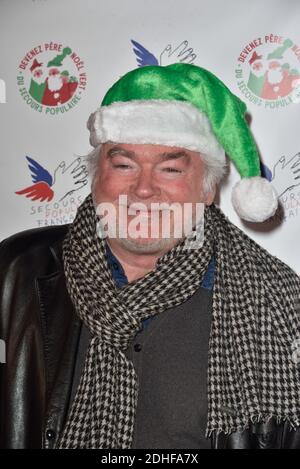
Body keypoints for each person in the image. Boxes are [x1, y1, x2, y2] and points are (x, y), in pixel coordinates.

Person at [0, 63, 299, 449]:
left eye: (170, 168)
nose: (143, 189)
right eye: (123, 164)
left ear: (208, 189)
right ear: (96, 178)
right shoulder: (15, 273)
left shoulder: (277, 301)